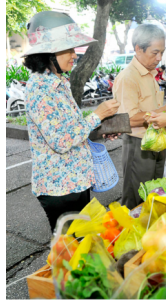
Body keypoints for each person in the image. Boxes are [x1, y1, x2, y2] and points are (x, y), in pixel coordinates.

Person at [23, 11, 120, 231]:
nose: (74, 55)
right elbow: (61, 141)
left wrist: (100, 127)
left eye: (74, 49)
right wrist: (98, 115)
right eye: (67, 49)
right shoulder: (39, 88)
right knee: (68, 254)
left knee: (84, 248)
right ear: (47, 53)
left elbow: (72, 128)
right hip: (60, 189)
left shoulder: (59, 81)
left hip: (76, 181)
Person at [112, 24, 166, 209]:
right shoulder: (128, 77)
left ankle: (147, 233)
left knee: (153, 194)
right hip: (138, 145)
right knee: (136, 198)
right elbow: (127, 120)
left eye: (161, 52)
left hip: (156, 141)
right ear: (138, 48)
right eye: (155, 52)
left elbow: (153, 110)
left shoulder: (148, 74)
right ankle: (130, 234)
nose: (159, 58)